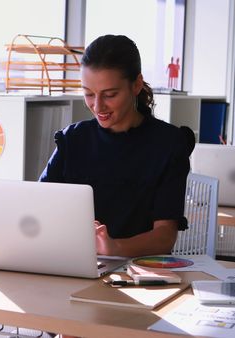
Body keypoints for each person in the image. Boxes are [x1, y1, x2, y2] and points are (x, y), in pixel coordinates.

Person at [40, 35, 194, 258]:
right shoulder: (72, 139)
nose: (98, 106)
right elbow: (38, 207)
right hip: (71, 261)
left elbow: (165, 236)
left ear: (137, 85)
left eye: (110, 95)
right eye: (88, 94)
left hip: (136, 270)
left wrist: (115, 248)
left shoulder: (168, 144)